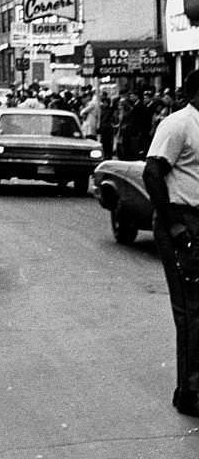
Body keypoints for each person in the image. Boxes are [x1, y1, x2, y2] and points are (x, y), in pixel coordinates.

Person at [143, 70, 199, 417]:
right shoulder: (178, 124)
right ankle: (189, 391)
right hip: (184, 221)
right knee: (192, 311)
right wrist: (174, 224)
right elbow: (152, 172)